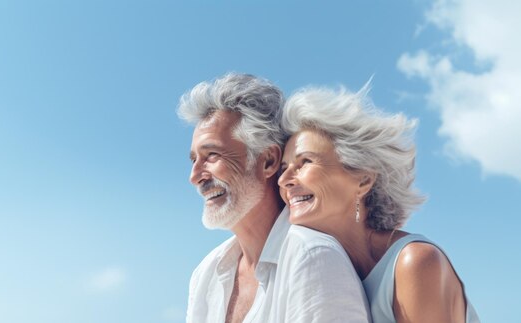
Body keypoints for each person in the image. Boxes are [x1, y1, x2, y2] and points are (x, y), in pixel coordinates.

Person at [277, 84, 480, 323]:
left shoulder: (414, 262)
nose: (284, 180)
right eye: (283, 168)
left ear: (363, 180)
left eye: (305, 162)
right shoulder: (322, 269)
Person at [178, 73, 371, 323]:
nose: (195, 176)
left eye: (212, 155)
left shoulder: (313, 258)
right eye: (194, 160)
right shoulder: (206, 274)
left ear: (268, 160)